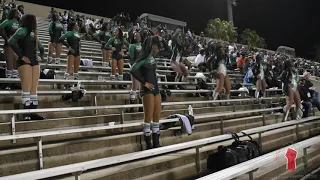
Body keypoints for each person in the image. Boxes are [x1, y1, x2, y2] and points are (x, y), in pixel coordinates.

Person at [130, 36, 165, 149]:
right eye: (155, 45)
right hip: (146, 90)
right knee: (148, 117)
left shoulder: (153, 56)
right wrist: (144, 83)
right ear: (151, 45)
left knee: (157, 116)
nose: (157, 48)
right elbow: (133, 70)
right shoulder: (143, 58)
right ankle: (148, 144)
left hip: (155, 89)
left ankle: (156, 142)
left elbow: (168, 50)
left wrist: (162, 39)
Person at [8, 14, 44, 121]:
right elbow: (11, 42)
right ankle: (26, 113)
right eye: (35, 20)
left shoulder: (34, 34)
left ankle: (33, 112)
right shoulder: (22, 30)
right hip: (24, 61)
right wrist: (21, 56)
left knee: (34, 89)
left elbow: (42, 49)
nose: (36, 22)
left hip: (34, 61)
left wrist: (40, 56)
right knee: (26, 88)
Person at [0, 8, 20, 79]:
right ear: (13, 13)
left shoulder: (20, 22)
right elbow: (0, 28)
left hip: (17, 46)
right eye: (17, 12)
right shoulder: (8, 21)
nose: (19, 13)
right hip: (9, 45)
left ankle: (14, 83)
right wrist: (5, 37)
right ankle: (8, 83)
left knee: (16, 68)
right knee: (10, 66)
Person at [128, 31, 142, 112]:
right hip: (135, 67)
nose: (137, 37)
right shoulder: (132, 46)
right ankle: (132, 104)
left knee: (141, 87)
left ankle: (140, 105)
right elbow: (132, 59)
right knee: (134, 86)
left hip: (142, 67)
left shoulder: (142, 45)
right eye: (135, 36)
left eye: (138, 35)